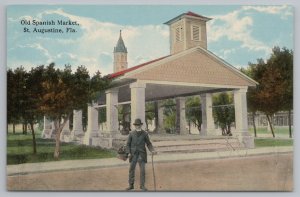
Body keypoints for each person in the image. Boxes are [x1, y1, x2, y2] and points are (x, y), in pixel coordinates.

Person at [125, 118, 156, 191]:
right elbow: (128, 144)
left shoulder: (145, 134)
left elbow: (148, 143)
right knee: (131, 170)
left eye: (138, 125)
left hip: (142, 155)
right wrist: (128, 152)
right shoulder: (131, 134)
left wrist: (152, 150)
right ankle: (131, 185)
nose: (137, 126)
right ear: (134, 126)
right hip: (133, 155)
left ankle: (142, 186)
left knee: (142, 171)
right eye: (136, 125)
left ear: (141, 125)